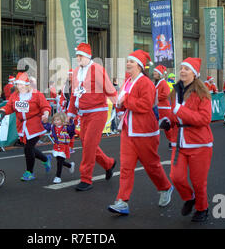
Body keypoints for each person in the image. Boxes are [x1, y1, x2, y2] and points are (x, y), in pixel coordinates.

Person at [107, 50, 173, 216]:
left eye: (131, 61)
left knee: (152, 166)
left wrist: (125, 100)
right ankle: (122, 201)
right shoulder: (128, 81)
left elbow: (145, 105)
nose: (128, 63)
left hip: (145, 132)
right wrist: (119, 104)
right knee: (126, 167)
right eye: (127, 61)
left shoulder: (146, 83)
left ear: (139, 65)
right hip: (128, 131)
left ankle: (165, 187)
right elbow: (122, 102)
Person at [162, 57, 213, 222]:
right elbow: (173, 114)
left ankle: (202, 208)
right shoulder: (174, 91)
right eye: (181, 68)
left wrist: (180, 110)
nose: (182, 71)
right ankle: (190, 198)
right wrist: (168, 121)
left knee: (198, 182)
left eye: (187, 68)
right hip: (179, 143)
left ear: (195, 73)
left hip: (200, 143)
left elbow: (204, 119)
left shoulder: (202, 93)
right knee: (176, 177)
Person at [67, 43, 118, 192]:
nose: (78, 58)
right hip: (84, 115)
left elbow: (110, 90)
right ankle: (108, 163)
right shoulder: (76, 72)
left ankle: (86, 178)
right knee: (88, 145)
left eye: (80, 56)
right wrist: (71, 113)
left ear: (88, 56)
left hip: (97, 113)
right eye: (77, 56)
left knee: (89, 145)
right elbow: (74, 95)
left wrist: (121, 109)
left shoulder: (97, 69)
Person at [0, 72, 52, 181]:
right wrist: (0, 110)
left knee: (28, 148)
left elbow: (45, 106)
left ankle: (29, 172)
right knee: (29, 147)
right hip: (22, 125)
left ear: (27, 84)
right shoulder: (15, 95)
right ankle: (45, 159)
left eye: (21, 84)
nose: (18, 86)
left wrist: (46, 114)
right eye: (17, 84)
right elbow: (9, 107)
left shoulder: (37, 94)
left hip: (35, 124)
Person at [43, 112, 76, 184]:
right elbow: (47, 126)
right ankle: (70, 165)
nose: (56, 121)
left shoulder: (66, 127)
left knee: (59, 162)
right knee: (60, 161)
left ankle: (58, 177)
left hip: (64, 147)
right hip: (56, 147)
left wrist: (70, 121)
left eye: (58, 120)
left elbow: (72, 129)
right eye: (55, 120)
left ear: (63, 120)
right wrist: (44, 122)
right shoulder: (52, 127)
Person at [153, 65, 173, 145]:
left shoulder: (163, 83)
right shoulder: (156, 83)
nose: (153, 73)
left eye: (155, 72)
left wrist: (155, 98)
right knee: (155, 126)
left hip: (164, 109)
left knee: (166, 127)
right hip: (158, 108)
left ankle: (173, 141)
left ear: (159, 74)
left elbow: (166, 94)